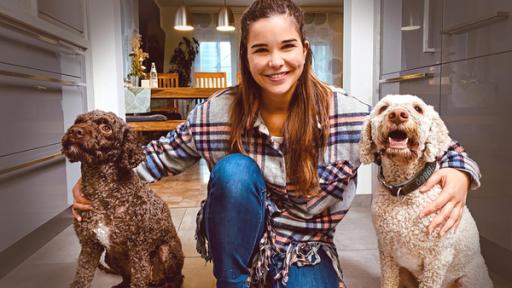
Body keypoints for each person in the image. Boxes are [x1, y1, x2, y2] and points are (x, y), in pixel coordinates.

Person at [72, 1, 480, 287]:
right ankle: (233, 282)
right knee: (234, 170)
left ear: (304, 50)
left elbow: (439, 144)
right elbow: (156, 158)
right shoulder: (217, 111)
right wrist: (93, 184)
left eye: (287, 46)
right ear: (246, 57)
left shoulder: (353, 115)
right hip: (237, 239)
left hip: (304, 246)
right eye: (261, 50)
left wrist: (459, 172)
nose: (275, 61)